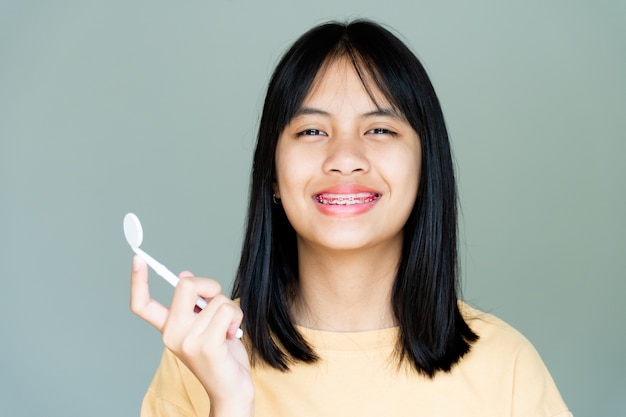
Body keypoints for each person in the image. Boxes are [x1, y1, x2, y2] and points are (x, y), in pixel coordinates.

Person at [130, 20, 572, 417]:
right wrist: (228, 405)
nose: (344, 158)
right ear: (273, 175)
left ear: (425, 167)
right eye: (312, 131)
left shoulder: (506, 367)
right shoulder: (202, 358)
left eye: (380, 129)